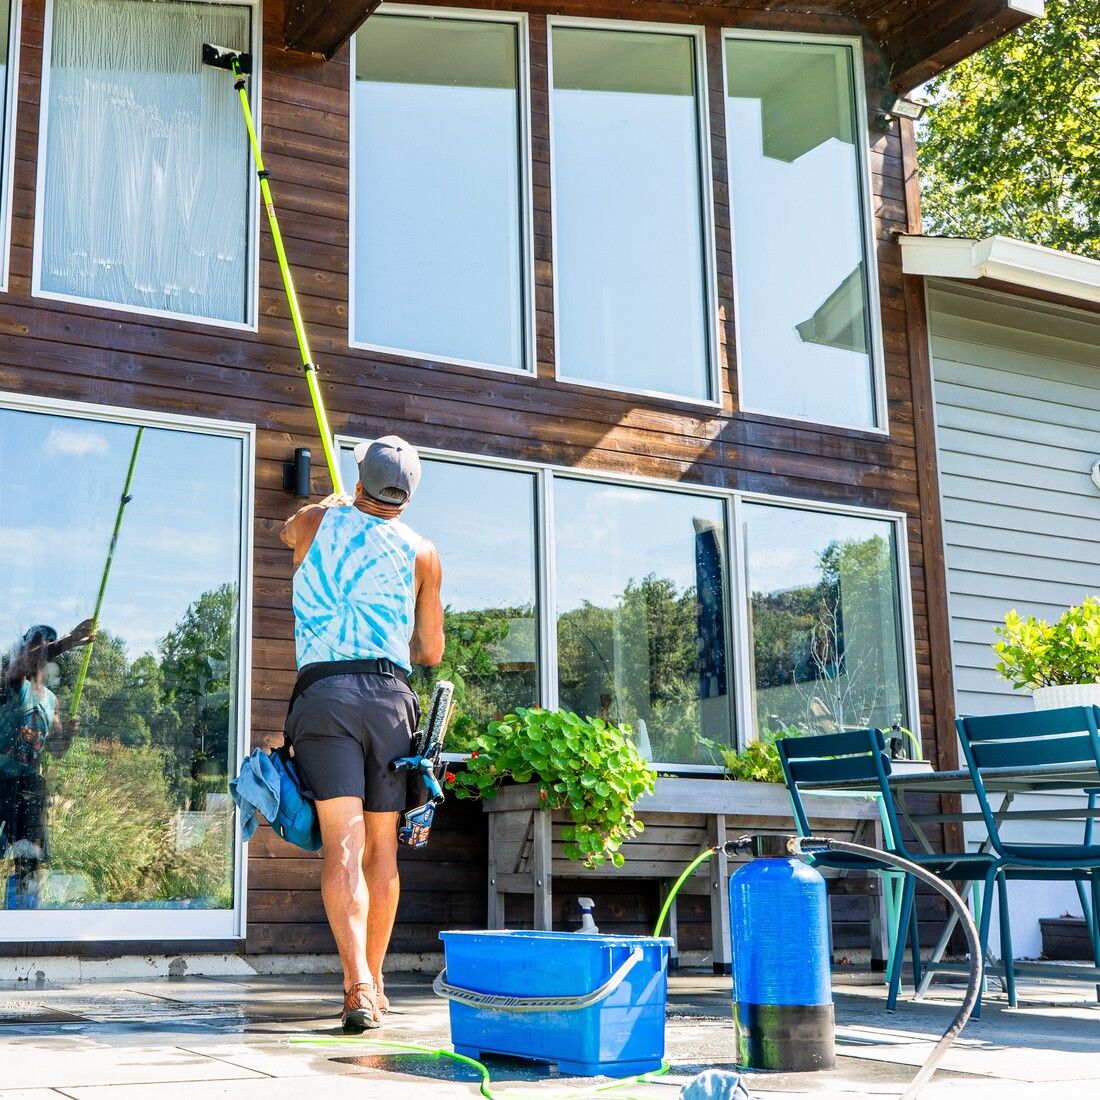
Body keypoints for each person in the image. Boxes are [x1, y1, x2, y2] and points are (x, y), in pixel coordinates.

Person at [279, 435, 444, 1033]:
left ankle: (357, 988)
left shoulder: (318, 520)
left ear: (360, 480)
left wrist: (330, 504)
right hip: (389, 701)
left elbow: (285, 536)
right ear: (409, 494)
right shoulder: (424, 553)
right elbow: (429, 650)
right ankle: (373, 986)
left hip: (325, 696)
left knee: (341, 846)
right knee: (382, 850)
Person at [0, 620, 95, 907]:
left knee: (29, 859)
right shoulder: (12, 678)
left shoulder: (51, 700)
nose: (40, 649)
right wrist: (69, 641)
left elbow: (56, 749)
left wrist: (66, 735)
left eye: (45, 643)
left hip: (28, 787)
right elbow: (28, 661)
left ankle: (22, 925)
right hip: (0, 780)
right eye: (36, 643)